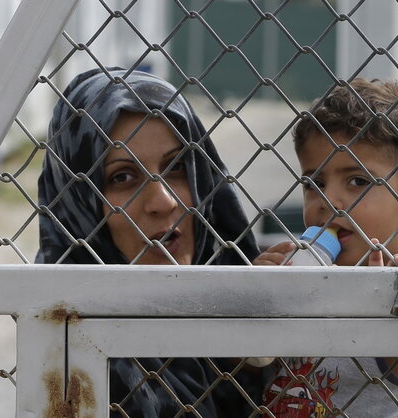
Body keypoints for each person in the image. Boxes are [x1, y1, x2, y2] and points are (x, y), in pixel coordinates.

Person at [37, 67, 261, 417]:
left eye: (177, 167)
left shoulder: (254, 326)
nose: (163, 202)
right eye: (123, 177)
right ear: (79, 203)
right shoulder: (69, 364)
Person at [253, 78, 398, 416]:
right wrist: (257, 296)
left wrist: (383, 298)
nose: (329, 201)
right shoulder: (301, 279)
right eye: (315, 183)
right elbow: (248, 362)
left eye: (357, 181)